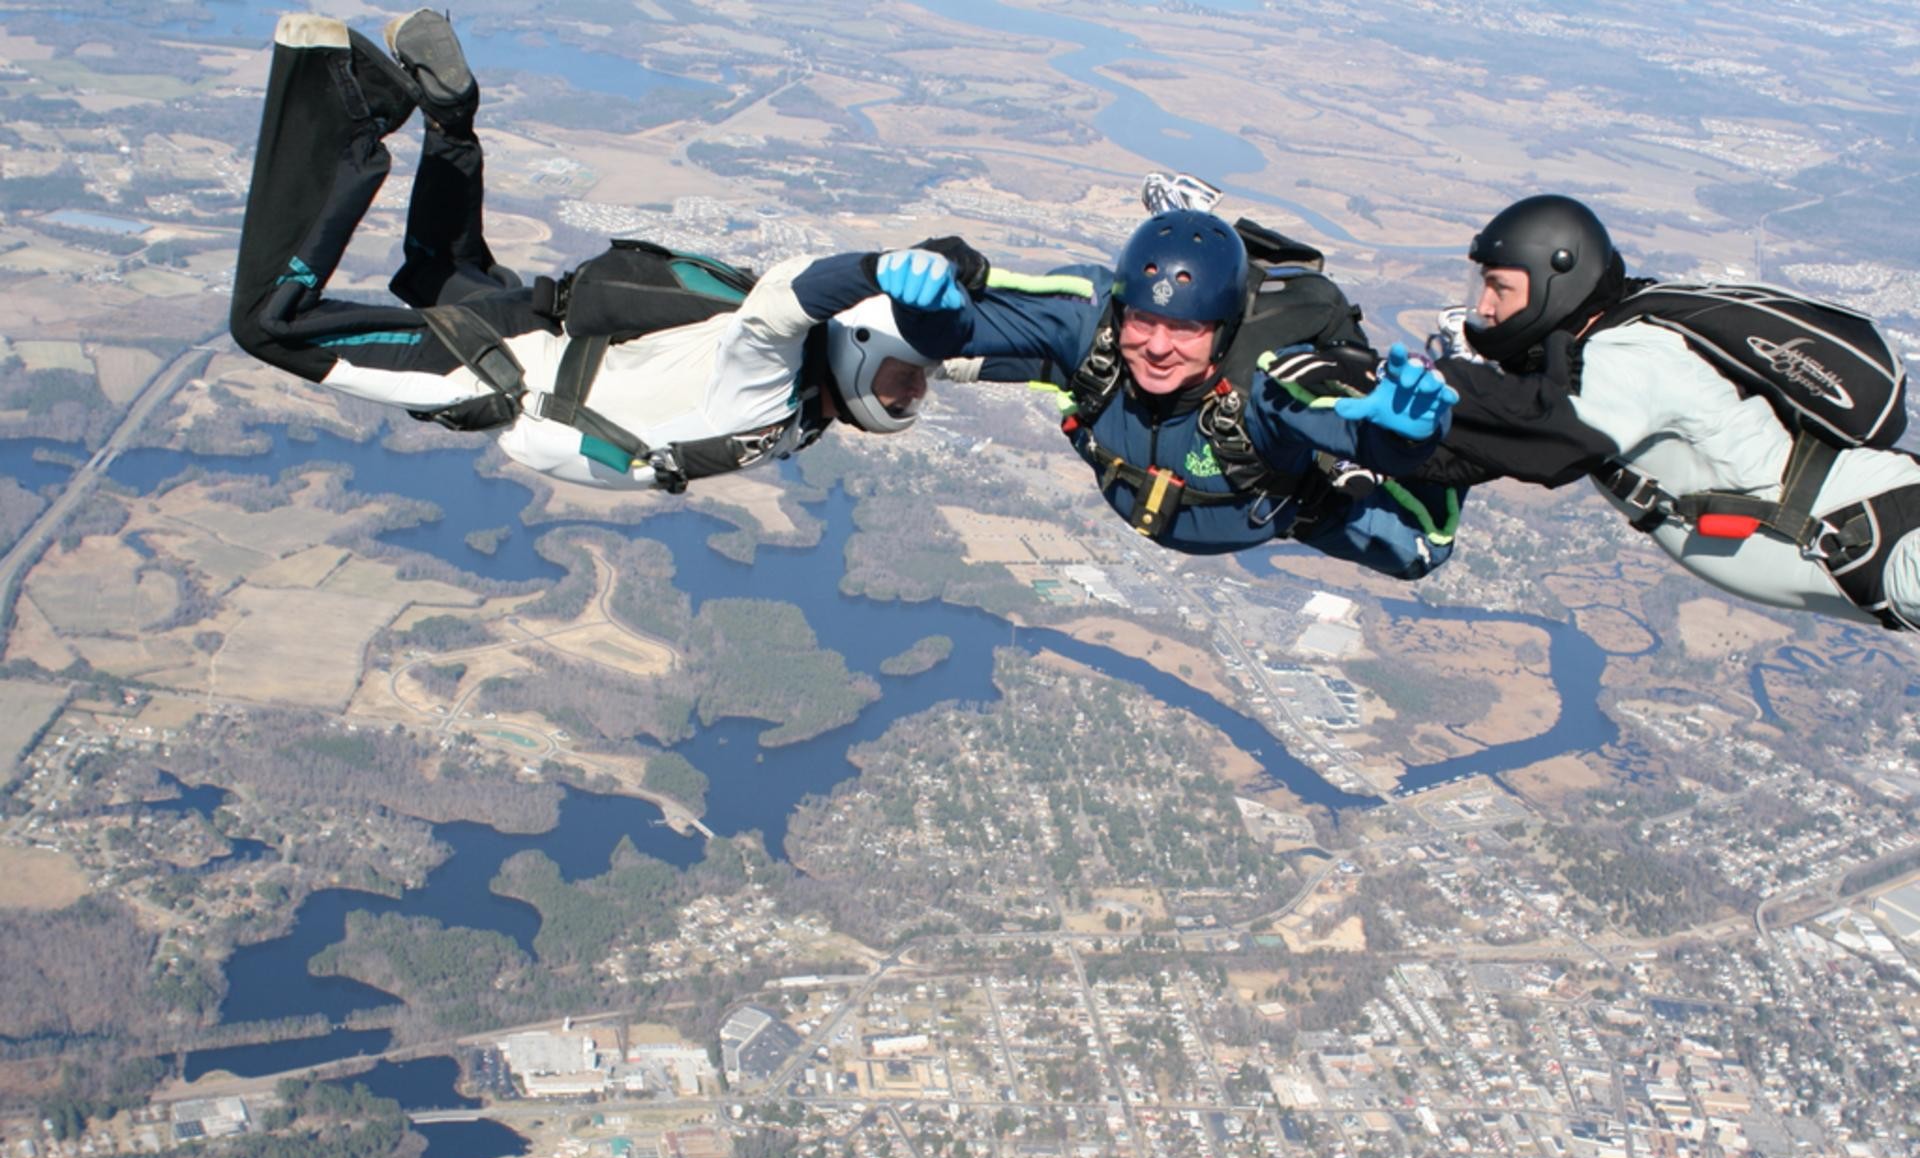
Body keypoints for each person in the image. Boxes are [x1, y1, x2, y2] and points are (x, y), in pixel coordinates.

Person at [231, 12, 948, 495]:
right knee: (267, 323)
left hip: (542, 332)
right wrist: (880, 267)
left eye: (917, 379)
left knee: (436, 273)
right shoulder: (769, 381)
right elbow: (791, 296)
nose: (917, 392)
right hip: (502, 371)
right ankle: (342, 96)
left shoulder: (807, 410)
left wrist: (1052, 347)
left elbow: (976, 345)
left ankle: (451, 118)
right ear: (855, 339)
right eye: (909, 376)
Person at [871, 209, 1463, 579]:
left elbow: (1350, 431)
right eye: (1143, 321)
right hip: (1131, 439)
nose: (1157, 346)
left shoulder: (1264, 386)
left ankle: (1465, 360)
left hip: (1278, 509)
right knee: (1027, 356)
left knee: (1421, 552)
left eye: (1185, 328)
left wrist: (1407, 436)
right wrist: (925, 314)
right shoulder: (1093, 327)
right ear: (1122, 309)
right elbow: (969, 322)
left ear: (1223, 330)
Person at [1421, 193, 1920, 631]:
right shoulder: (1592, 349)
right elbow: (1492, 444)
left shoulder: (1632, 354)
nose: (1483, 307)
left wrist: (1440, 382)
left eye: (1500, 288)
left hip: (1890, 538)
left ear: (1557, 280)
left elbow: (1548, 438)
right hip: (1881, 547)